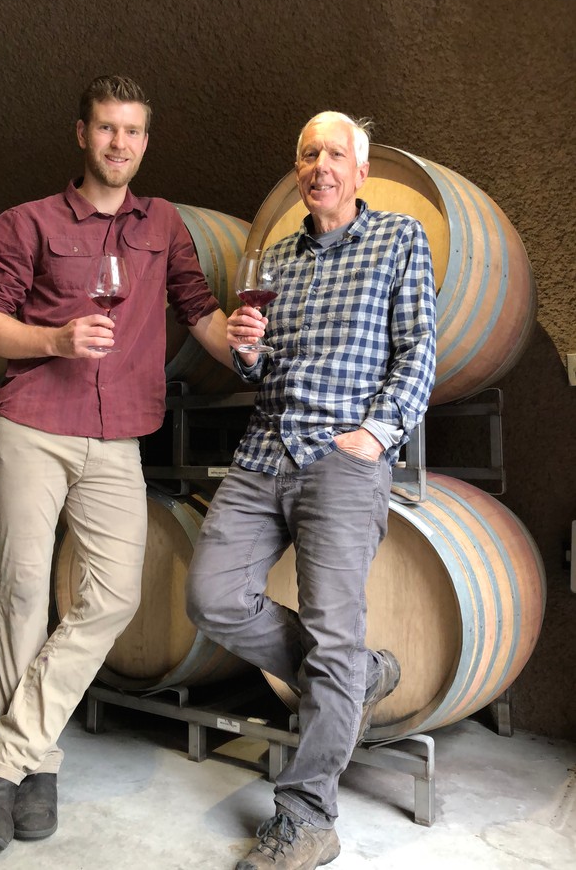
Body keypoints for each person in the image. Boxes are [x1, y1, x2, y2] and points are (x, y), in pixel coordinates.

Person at [0, 74, 233, 851]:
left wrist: (241, 345)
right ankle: (36, 770)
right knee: (20, 593)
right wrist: (53, 339)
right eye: (107, 128)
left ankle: (2, 758)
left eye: (133, 131)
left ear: (147, 139)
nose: (120, 144)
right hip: (34, 423)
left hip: (117, 437)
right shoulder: (26, 222)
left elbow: (196, 305)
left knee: (112, 595)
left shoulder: (164, 222)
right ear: (82, 134)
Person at [186, 110, 436, 870]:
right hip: (266, 448)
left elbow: (419, 348)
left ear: (360, 172)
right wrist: (248, 352)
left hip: (341, 459)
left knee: (331, 633)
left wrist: (375, 434)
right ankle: (357, 675)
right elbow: (256, 369)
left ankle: (307, 815)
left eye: (334, 153)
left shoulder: (399, 239)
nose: (319, 164)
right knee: (210, 595)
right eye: (306, 153)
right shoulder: (276, 258)